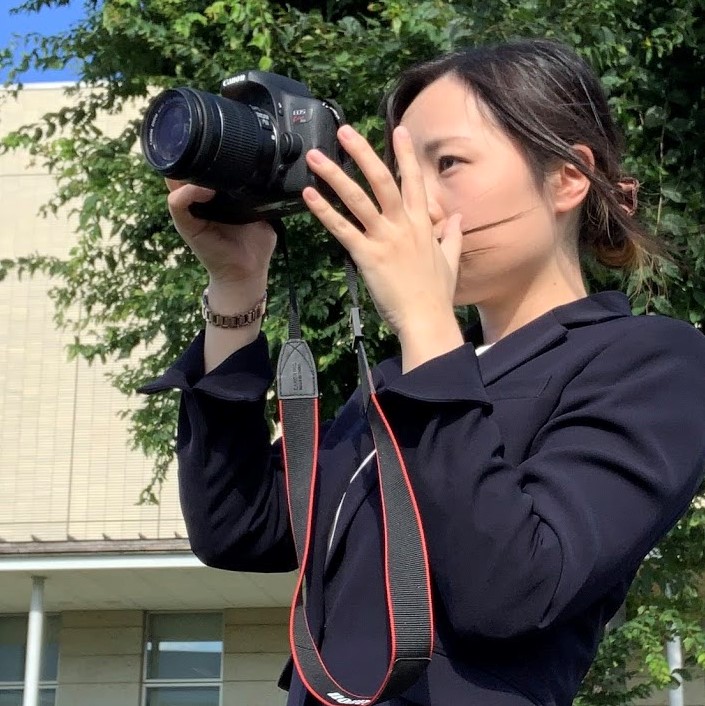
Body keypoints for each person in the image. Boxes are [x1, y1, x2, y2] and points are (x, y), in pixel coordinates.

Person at [141, 38, 705, 706]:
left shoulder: (653, 360)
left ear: (567, 178)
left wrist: (424, 323)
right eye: (405, 173)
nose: (417, 203)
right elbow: (240, 527)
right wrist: (237, 287)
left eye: (448, 164)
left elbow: (513, 591)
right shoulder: (403, 381)